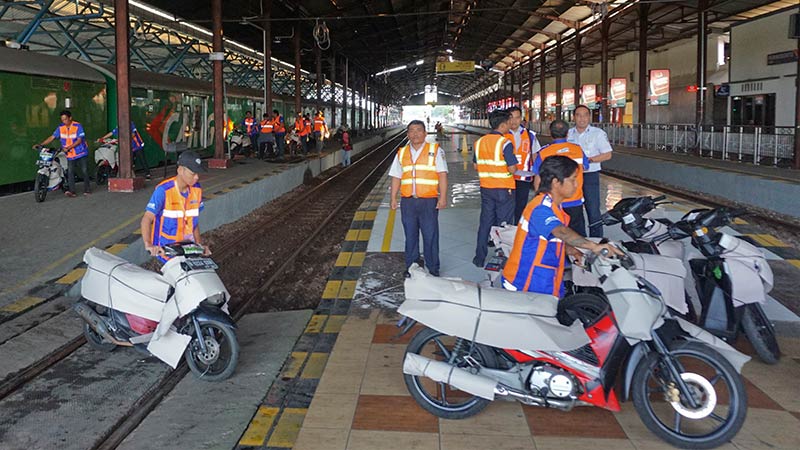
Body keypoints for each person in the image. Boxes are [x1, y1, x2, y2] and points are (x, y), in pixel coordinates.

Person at [501, 156, 622, 296]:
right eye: (572, 179)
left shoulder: (555, 208)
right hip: (526, 283)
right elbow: (561, 232)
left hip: (545, 278)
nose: (576, 184)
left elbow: (551, 238)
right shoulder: (540, 208)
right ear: (556, 182)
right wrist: (595, 247)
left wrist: (573, 251)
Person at [389, 120, 448, 277]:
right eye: (412, 131)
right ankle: (411, 267)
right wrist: (393, 197)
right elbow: (396, 176)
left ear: (425, 133)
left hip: (428, 201)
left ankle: (433, 267)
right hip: (408, 201)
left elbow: (442, 174)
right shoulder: (401, 153)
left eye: (418, 130)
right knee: (410, 236)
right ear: (407, 134)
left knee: (430, 235)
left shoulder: (435, 150)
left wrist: (443, 197)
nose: (415, 133)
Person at [141, 151, 209, 263]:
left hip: (187, 249)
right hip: (165, 252)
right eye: (193, 174)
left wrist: (199, 245)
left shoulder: (197, 190)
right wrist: (148, 244)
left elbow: (194, 223)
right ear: (180, 170)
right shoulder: (163, 191)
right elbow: (147, 219)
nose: (197, 177)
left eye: (198, 173)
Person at [472, 109, 517, 268]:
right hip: (504, 189)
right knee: (503, 225)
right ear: (504, 125)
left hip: (486, 188)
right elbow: (512, 169)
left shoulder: (479, 142)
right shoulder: (505, 143)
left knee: (485, 222)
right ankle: (503, 258)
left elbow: (476, 166)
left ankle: (479, 258)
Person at [533, 120, 590, 236]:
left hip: (554, 202)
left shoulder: (544, 152)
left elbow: (537, 179)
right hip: (575, 201)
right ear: (567, 133)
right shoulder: (577, 149)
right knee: (577, 235)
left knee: (555, 235)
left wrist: (540, 199)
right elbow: (586, 167)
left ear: (550, 133)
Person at [567, 105, 613, 237]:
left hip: (590, 177)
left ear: (589, 117)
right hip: (572, 178)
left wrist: (589, 161)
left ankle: (596, 240)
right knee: (574, 210)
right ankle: (579, 239)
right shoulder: (568, 134)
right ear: (574, 117)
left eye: (585, 115)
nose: (582, 118)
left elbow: (607, 154)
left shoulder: (597, 134)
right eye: (578, 115)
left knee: (593, 210)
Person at [34, 109, 91, 197]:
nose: (64, 121)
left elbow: (79, 140)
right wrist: (41, 144)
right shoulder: (61, 128)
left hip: (81, 152)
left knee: (84, 170)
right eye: (62, 120)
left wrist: (68, 147)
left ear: (70, 118)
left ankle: (87, 189)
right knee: (70, 172)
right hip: (70, 154)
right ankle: (72, 191)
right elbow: (52, 137)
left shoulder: (77, 126)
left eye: (65, 119)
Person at [504, 106, 541, 225]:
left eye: (517, 117)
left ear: (522, 118)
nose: (514, 121)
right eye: (511, 117)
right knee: (506, 206)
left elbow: (535, 156)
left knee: (521, 205)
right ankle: (504, 231)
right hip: (506, 177)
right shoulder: (502, 135)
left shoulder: (530, 136)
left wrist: (538, 176)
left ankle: (517, 230)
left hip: (524, 177)